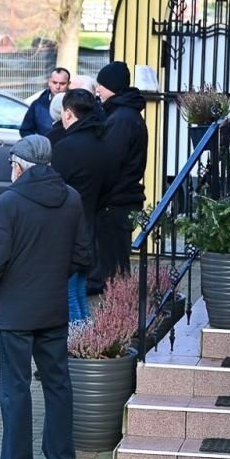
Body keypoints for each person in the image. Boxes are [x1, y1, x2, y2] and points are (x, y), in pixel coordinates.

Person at [0, 134, 89, 459]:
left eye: (12, 163)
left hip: (14, 310)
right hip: (52, 307)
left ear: (19, 165)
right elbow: (82, 255)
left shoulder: (8, 203)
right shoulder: (71, 198)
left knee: (15, 387)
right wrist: (54, 277)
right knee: (58, 384)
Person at [49, 88, 112, 324]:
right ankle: (86, 341)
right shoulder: (101, 142)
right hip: (90, 223)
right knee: (79, 290)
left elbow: (54, 188)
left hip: (67, 229)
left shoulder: (66, 147)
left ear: (67, 113)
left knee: (68, 293)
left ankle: (77, 347)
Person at [93, 61, 146, 293]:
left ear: (112, 87)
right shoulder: (124, 115)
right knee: (116, 267)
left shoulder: (121, 119)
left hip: (115, 203)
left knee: (113, 270)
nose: (97, 91)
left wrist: (100, 196)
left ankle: (119, 317)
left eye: (101, 86)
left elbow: (109, 163)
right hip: (121, 200)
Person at [20, 67, 70, 137]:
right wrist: (39, 144)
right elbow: (25, 130)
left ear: (68, 84)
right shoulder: (37, 105)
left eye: (62, 83)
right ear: (49, 82)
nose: (58, 87)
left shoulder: (76, 104)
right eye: (54, 82)